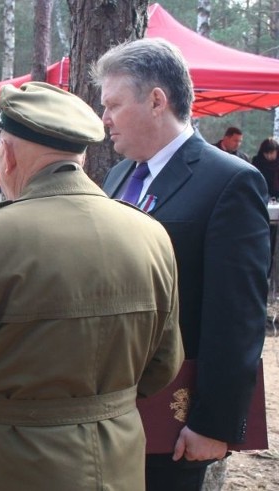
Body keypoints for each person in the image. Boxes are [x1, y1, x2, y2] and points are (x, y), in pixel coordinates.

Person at [0, 81, 184, 491]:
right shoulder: (151, 235)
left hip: (11, 467)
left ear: (8, 154)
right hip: (116, 463)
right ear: (79, 155)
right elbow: (162, 367)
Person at [95, 38, 270, 490]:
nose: (105, 119)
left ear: (157, 100)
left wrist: (214, 423)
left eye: (113, 105)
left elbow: (236, 318)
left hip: (172, 419)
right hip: (108, 410)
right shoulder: (118, 175)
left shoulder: (228, 181)